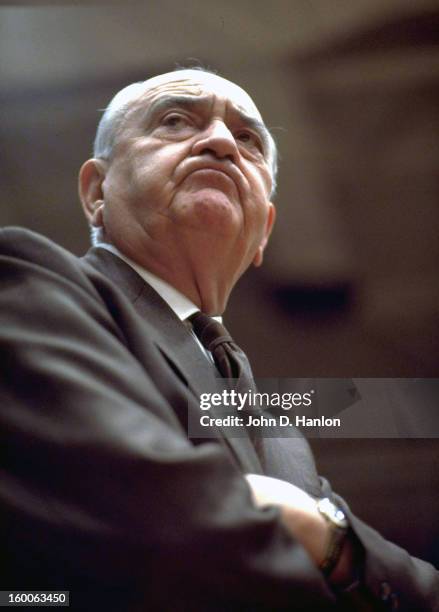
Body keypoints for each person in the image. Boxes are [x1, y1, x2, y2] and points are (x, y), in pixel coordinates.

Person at [0, 68, 437, 611]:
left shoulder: (280, 432)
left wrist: (334, 544)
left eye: (248, 139)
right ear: (95, 192)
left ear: (265, 233)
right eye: (176, 120)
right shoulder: (31, 279)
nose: (222, 141)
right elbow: (158, 516)